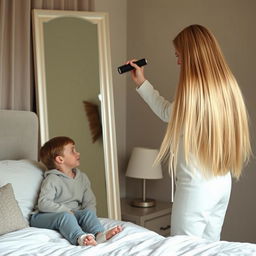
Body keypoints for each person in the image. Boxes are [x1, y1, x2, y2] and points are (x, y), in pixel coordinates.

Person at [127, 24, 251, 241]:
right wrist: (142, 82)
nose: (178, 62)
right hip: (221, 183)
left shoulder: (193, 91)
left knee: (183, 248)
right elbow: (172, 113)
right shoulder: (226, 86)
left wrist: (142, 83)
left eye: (179, 55)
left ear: (192, 55)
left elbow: (167, 113)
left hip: (196, 186)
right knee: (210, 249)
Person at [30, 136, 122, 246]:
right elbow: (43, 203)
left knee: (87, 213)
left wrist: (88, 220)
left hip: (72, 214)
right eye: (73, 151)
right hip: (43, 216)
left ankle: (99, 234)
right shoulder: (52, 179)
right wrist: (68, 211)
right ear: (60, 159)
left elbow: (90, 202)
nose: (78, 153)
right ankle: (81, 238)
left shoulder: (82, 178)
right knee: (65, 216)